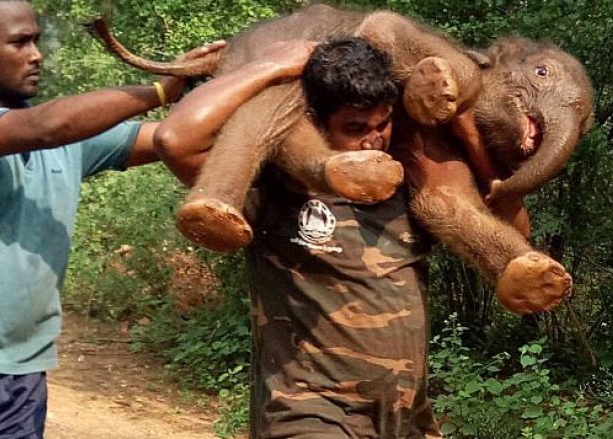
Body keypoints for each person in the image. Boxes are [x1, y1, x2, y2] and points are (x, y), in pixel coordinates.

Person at [0, 0, 314, 436]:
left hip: (21, 372)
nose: (36, 54)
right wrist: (159, 91)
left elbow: (172, 138)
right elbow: (49, 126)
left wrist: (246, 82)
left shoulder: (69, 141)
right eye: (20, 42)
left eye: (38, 40)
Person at [157, 36, 441, 437]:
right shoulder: (275, 186)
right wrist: (270, 66)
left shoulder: (409, 182)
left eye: (383, 124)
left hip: (403, 419)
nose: (374, 139)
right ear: (314, 121)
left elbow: (512, 229)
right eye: (354, 128)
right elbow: (175, 141)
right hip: (308, 415)